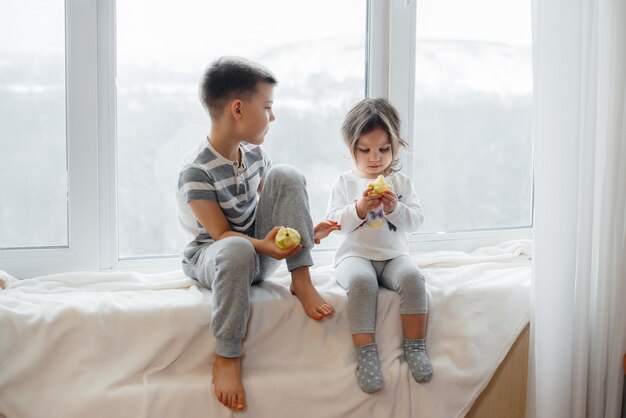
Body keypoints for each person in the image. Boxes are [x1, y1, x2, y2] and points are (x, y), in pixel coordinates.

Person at [176, 56, 339, 412]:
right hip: (218, 258)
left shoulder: (255, 155)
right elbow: (220, 234)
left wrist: (305, 233)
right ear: (237, 109)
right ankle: (227, 355)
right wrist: (262, 244)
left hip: (258, 252)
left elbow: (275, 206)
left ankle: (302, 280)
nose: (273, 116)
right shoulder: (196, 171)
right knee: (236, 248)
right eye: (267, 107)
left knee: (287, 174)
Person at [326, 98, 433, 394]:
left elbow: (416, 221)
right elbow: (334, 224)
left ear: (394, 147)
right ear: (351, 148)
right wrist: (358, 208)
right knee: (361, 283)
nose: (375, 158)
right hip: (354, 256)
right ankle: (366, 353)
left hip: (394, 255)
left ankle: (415, 346)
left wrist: (395, 208)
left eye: (384, 149)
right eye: (366, 150)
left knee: (413, 279)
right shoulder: (344, 184)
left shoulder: (400, 183)